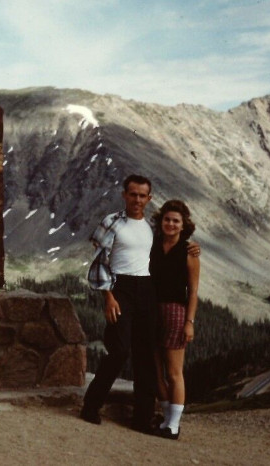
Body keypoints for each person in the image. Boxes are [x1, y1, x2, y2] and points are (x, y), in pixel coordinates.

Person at [80, 175, 199, 432]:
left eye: (142, 195)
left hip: (147, 291)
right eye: (132, 194)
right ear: (124, 194)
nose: (137, 199)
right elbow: (100, 261)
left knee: (146, 357)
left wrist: (193, 248)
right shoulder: (112, 222)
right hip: (120, 288)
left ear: (149, 198)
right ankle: (91, 405)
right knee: (120, 349)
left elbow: (172, 243)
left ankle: (142, 419)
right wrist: (108, 296)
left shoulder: (150, 229)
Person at [150, 199, 200, 440]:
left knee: (174, 372)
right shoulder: (153, 245)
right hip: (150, 311)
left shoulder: (189, 253)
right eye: (167, 219)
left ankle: (173, 425)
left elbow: (193, 291)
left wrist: (189, 322)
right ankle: (167, 421)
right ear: (161, 222)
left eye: (176, 221)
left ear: (183, 225)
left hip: (175, 312)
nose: (170, 223)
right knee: (155, 370)